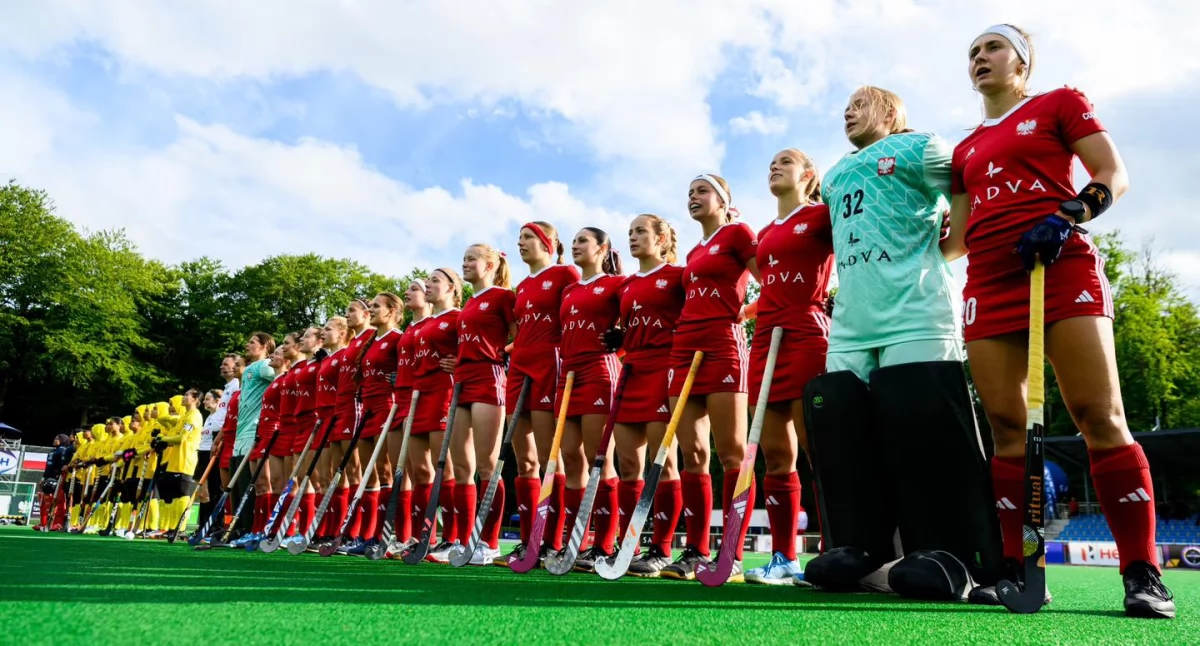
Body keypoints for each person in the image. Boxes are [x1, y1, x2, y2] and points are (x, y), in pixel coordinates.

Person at [945, 24, 1173, 619]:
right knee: (1004, 425)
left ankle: (1143, 572)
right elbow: (956, 240)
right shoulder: (964, 149)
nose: (980, 59)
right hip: (988, 284)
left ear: (1022, 63)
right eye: (973, 53)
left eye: (993, 48)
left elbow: (1112, 174)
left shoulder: (1059, 104)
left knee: (1099, 414)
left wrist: (1072, 212)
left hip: (1058, 265)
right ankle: (1020, 570)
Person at [803, 84, 1002, 599]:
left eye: (859, 104)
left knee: (923, 430)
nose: (847, 112)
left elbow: (967, 185)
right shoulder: (834, 174)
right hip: (851, 322)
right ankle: (861, 548)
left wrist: (953, 240)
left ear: (890, 112)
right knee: (844, 432)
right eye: (844, 106)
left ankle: (951, 553)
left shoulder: (921, 147)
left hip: (915, 311)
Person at [742, 149, 834, 585]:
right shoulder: (764, 232)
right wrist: (747, 311)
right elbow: (773, 285)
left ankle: (839, 551)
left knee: (820, 448)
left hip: (807, 331)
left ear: (809, 175)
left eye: (785, 161)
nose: (773, 166)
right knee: (776, 454)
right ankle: (785, 558)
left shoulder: (822, 215)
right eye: (770, 162)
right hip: (765, 339)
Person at [661, 175, 759, 583]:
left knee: (732, 453)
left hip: (722, 344)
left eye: (702, 191)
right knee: (692, 454)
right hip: (684, 349)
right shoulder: (695, 250)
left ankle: (731, 554)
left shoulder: (737, 233)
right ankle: (695, 550)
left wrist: (745, 314)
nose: (693, 198)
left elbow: (768, 280)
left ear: (724, 200)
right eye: (689, 193)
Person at [500, 222, 580, 567]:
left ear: (549, 242)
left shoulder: (566, 274)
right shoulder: (522, 285)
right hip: (519, 369)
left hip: (551, 365)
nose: (521, 244)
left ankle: (553, 540)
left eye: (528, 237)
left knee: (551, 457)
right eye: (518, 239)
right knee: (524, 459)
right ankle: (530, 539)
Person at [611, 214, 685, 577]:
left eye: (641, 231)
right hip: (631, 372)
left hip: (664, 368)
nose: (633, 237)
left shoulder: (678, 276)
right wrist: (617, 341)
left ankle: (663, 549)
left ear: (662, 238)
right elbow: (622, 330)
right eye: (630, 232)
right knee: (628, 467)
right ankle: (630, 544)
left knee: (664, 465)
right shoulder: (624, 286)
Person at [556, 228, 626, 572]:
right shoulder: (568, 290)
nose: (575, 245)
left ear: (602, 248)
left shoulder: (616, 284)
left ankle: (603, 544)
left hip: (599, 371)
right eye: (574, 241)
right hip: (566, 375)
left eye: (583, 240)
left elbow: (634, 320)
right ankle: (576, 541)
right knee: (571, 458)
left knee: (600, 459)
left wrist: (621, 336)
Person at [449, 245, 517, 565]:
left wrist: (499, 352)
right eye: (463, 259)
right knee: (463, 468)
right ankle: (465, 539)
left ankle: (488, 542)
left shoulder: (503, 296)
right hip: (461, 379)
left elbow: (521, 336)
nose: (465, 263)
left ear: (490, 265)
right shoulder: (468, 303)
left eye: (471, 259)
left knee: (488, 465)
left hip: (489, 378)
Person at [343, 293, 405, 555]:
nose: (371, 309)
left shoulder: (397, 338)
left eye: (376, 306)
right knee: (371, 476)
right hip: (366, 409)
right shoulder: (371, 341)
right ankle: (369, 535)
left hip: (387, 409)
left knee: (386, 470)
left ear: (391, 311)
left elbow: (406, 368)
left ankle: (389, 534)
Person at [409, 268, 462, 561]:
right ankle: (422, 535)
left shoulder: (458, 317)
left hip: (444, 393)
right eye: (426, 281)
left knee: (446, 470)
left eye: (435, 281)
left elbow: (481, 349)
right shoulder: (425, 323)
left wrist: (462, 362)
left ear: (452, 288)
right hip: (420, 396)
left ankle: (452, 537)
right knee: (420, 472)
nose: (428, 285)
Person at [321, 300, 373, 550]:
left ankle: (357, 531)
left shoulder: (371, 336)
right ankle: (340, 530)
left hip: (356, 409)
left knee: (356, 473)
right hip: (338, 412)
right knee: (338, 475)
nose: (348, 314)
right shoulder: (353, 344)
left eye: (353, 310)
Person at [384, 282, 431, 553]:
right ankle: (406, 536)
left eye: (414, 288)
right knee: (405, 471)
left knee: (424, 470)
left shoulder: (435, 322)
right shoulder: (408, 331)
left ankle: (429, 537)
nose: (407, 292)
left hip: (425, 398)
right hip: (401, 400)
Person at [298, 316, 349, 550]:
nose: (323, 334)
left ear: (341, 332)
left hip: (339, 416)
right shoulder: (327, 359)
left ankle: (340, 531)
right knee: (324, 480)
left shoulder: (343, 355)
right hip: (322, 418)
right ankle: (323, 530)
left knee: (340, 478)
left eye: (328, 330)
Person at [235, 346, 289, 547]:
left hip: (274, 434)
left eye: (278, 353)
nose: (273, 356)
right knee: (258, 485)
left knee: (273, 482)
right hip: (261, 434)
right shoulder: (274, 381)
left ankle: (274, 529)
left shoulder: (284, 380)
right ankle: (257, 529)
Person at [229, 332, 277, 542]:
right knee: (237, 482)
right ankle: (239, 527)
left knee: (250, 481)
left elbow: (281, 378)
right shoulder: (248, 369)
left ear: (265, 346)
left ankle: (251, 527)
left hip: (255, 430)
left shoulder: (265, 365)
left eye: (252, 342)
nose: (247, 345)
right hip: (241, 431)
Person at [154, 389, 204, 540]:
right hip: (175, 461)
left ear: (195, 399)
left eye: (188, 395)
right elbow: (167, 419)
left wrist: (163, 439)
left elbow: (181, 438)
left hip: (185, 460)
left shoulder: (194, 417)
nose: (184, 397)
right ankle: (170, 527)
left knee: (182, 494)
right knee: (173, 496)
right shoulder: (184, 417)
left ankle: (180, 528)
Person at [287, 327, 322, 538]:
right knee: (302, 478)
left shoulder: (320, 363)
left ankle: (315, 529)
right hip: (300, 422)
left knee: (316, 478)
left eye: (308, 336)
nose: (303, 339)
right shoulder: (304, 366)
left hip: (314, 420)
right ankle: (304, 528)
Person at [197, 388, 224, 536]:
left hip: (211, 453)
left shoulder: (220, 415)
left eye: (208, 399)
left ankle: (214, 526)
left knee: (212, 491)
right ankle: (203, 526)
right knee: (203, 493)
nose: (205, 402)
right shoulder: (208, 417)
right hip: (202, 453)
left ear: (217, 400)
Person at [215, 355, 242, 502]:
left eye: (226, 364)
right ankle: (225, 520)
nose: (222, 367)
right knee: (222, 484)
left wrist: (220, 436)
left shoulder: (237, 385)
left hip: (232, 435)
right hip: (223, 434)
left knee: (232, 483)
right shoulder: (227, 388)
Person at [36, 434, 71, 531]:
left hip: (57, 479)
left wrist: (59, 476)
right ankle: (44, 522)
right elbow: (47, 467)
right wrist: (43, 478)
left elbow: (62, 465)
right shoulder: (52, 451)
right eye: (55, 438)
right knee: (45, 501)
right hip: (47, 478)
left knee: (57, 501)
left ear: (63, 440)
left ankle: (57, 523)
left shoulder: (63, 450)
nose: (55, 440)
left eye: (57, 438)